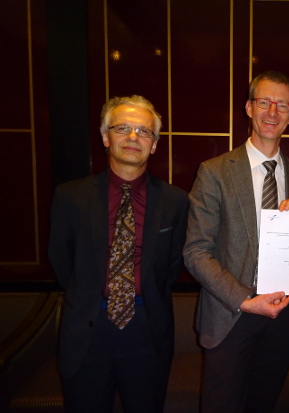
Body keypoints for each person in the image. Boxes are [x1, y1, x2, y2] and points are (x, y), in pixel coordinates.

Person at [183, 70, 289, 413]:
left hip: (282, 316)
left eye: (282, 105)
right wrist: (246, 300)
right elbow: (196, 251)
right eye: (264, 102)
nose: (272, 112)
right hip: (231, 314)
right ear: (248, 107)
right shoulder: (214, 171)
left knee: (264, 403)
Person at [48, 95, 189, 413]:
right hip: (87, 330)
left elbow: (171, 267)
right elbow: (61, 261)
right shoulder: (71, 196)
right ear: (104, 137)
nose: (133, 137)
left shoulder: (176, 202)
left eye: (144, 131)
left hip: (146, 330)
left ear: (154, 145)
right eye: (123, 128)